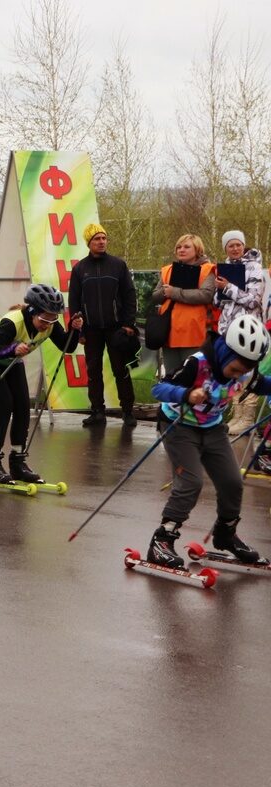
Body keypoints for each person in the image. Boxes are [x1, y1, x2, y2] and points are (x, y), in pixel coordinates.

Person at [146, 315, 271, 567]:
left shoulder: (246, 373)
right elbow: (158, 389)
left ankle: (225, 536)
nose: (240, 376)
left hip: (212, 428)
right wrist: (186, 393)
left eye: (245, 371)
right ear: (225, 354)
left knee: (232, 482)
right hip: (178, 426)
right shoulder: (197, 364)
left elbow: (263, 384)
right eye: (235, 369)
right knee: (191, 481)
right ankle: (162, 540)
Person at [0, 283, 84, 484]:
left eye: (53, 317)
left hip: (11, 360)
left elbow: (68, 346)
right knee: (5, 404)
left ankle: (17, 462)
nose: (48, 323)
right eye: (44, 317)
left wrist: (74, 330)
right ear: (32, 311)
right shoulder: (12, 322)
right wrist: (12, 349)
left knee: (23, 406)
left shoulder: (49, 324)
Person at [67, 223, 139, 428]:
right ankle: (97, 411)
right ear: (88, 242)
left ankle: (128, 411)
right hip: (91, 329)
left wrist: (128, 324)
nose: (101, 242)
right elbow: (74, 300)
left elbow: (129, 295)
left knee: (120, 370)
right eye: (96, 239)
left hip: (116, 328)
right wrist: (78, 328)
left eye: (103, 238)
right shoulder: (80, 268)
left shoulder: (118, 265)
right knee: (93, 371)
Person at [212, 230, 267, 437]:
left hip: (247, 329)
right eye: (230, 245)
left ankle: (247, 418)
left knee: (248, 372)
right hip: (228, 327)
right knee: (234, 372)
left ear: (243, 245)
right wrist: (219, 292)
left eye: (238, 245)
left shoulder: (253, 266)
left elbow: (252, 300)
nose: (234, 249)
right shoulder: (225, 267)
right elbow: (220, 302)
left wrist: (227, 288)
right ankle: (236, 415)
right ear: (225, 248)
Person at [150, 234, 216, 375]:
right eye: (179, 247)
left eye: (187, 247)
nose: (181, 250)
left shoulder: (207, 269)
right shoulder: (167, 270)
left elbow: (206, 295)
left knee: (192, 378)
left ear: (197, 249)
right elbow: (155, 296)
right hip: (168, 333)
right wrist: (164, 291)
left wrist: (175, 292)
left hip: (193, 333)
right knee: (171, 377)